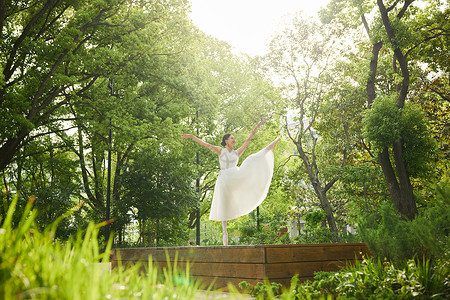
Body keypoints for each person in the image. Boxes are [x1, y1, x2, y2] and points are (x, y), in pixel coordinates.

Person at [182, 120, 280, 246]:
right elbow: (205, 144)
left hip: (235, 176)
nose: (234, 140)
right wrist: (191, 136)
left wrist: (256, 127)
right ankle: (224, 232)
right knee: (224, 203)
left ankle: (269, 147)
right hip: (224, 179)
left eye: (234, 138)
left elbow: (248, 140)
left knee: (250, 159)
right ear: (226, 140)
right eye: (232, 138)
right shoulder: (220, 150)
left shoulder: (237, 152)